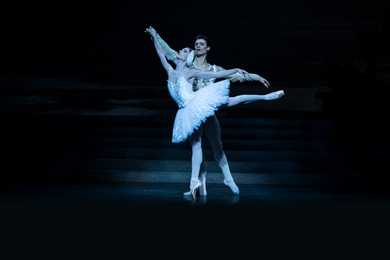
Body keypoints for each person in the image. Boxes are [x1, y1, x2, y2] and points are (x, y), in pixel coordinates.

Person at [145, 26, 284, 199]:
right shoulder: (179, 66)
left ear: (207, 48)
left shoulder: (207, 70)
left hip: (204, 104)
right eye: (195, 44)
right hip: (190, 110)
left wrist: (252, 75)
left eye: (201, 44)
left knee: (218, 139)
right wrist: (154, 35)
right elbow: (163, 51)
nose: (197, 46)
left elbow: (234, 75)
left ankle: (227, 178)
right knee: (197, 149)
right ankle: (198, 187)